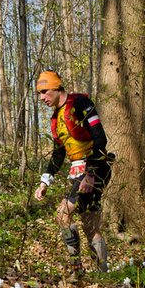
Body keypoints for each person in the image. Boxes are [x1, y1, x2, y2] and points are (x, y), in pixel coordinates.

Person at [33, 70, 114, 274]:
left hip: (94, 167)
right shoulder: (56, 118)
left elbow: (100, 138)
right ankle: (102, 272)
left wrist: (91, 173)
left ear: (57, 88)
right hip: (81, 171)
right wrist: (45, 182)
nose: (42, 97)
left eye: (45, 91)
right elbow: (58, 153)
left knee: (63, 215)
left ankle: (76, 268)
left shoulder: (79, 103)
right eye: (39, 94)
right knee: (90, 225)